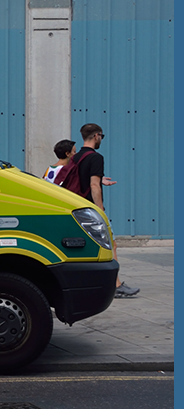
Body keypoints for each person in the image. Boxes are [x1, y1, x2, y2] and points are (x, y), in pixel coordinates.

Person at [76, 123, 139, 298]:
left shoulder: (76, 157)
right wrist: (100, 209)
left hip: (75, 209)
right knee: (111, 245)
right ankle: (116, 285)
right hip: (90, 210)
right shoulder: (96, 158)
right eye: (101, 137)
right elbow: (93, 185)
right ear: (96, 136)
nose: (101, 140)